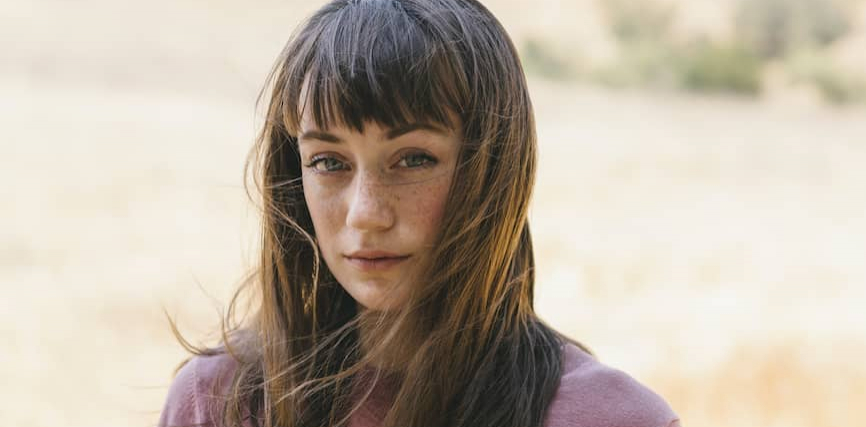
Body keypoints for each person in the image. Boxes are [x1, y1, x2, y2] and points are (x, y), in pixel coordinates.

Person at [157, 1, 681, 426]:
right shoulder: (216, 403)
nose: (365, 214)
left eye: (413, 159)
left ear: (492, 173)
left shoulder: (613, 418)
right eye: (328, 162)